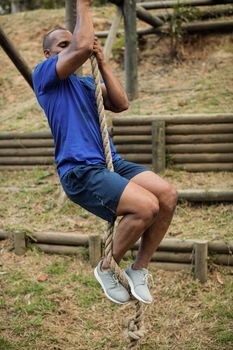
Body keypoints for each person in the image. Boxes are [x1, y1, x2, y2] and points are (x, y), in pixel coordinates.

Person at [33, 0, 177, 305]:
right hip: (81, 170)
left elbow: (121, 103)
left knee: (166, 195)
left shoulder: (86, 84)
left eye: (71, 44)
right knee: (145, 207)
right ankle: (106, 267)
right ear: (48, 54)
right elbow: (82, 44)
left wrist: (102, 59)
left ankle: (139, 269)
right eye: (62, 45)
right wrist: (82, 5)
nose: (72, 48)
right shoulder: (45, 77)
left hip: (111, 163)